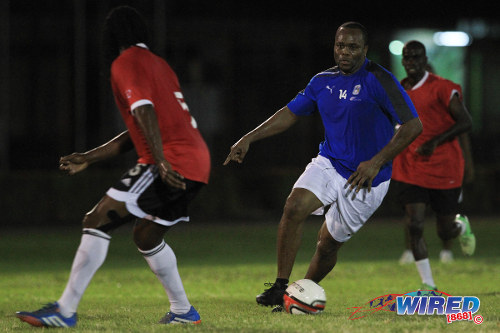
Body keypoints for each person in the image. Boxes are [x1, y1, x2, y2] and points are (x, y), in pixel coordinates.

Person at [16, 6, 210, 327]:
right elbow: (138, 125)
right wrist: (89, 157)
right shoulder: (160, 65)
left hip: (171, 159)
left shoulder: (125, 62)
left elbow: (144, 111)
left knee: (96, 220)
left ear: (111, 37)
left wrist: (160, 161)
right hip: (197, 161)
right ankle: (183, 312)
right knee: (146, 236)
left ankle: (64, 311)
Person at [224, 22, 423, 310]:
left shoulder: (379, 80)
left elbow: (413, 125)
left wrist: (376, 162)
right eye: (340, 45)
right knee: (293, 207)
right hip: (329, 162)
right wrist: (249, 138)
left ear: (365, 50)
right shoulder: (321, 81)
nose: (344, 52)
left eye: (353, 47)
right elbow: (290, 113)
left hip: (368, 179)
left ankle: (299, 296)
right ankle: (280, 287)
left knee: (327, 244)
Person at [391, 40, 475, 290]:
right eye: (407, 58)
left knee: (444, 231)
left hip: (444, 167)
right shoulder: (398, 90)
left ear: (425, 60)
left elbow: (466, 122)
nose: (411, 62)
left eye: (416, 57)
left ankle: (460, 226)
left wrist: (435, 142)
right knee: (414, 223)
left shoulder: (442, 87)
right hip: (411, 167)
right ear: (403, 61)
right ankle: (428, 283)